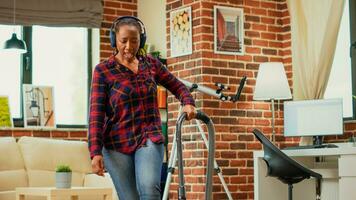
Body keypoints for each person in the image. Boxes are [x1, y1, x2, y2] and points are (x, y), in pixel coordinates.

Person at [88, 16, 196, 200]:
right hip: (116, 143)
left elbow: (177, 85)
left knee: (148, 189)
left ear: (141, 41)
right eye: (123, 41)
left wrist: (188, 102)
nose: (129, 46)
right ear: (114, 40)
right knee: (129, 197)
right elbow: (95, 115)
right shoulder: (103, 71)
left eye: (134, 41)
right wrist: (95, 152)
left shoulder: (151, 64)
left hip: (148, 136)